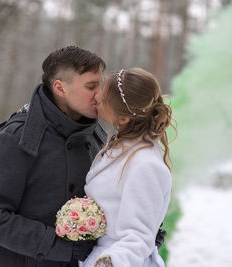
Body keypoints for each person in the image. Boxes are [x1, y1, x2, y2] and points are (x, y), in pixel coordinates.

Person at [0, 46, 107, 267]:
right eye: (91, 86)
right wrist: (60, 247)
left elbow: (104, 199)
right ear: (60, 88)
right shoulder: (15, 140)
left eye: (100, 85)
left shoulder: (96, 137)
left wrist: (137, 229)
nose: (99, 94)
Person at [80, 68, 176, 267]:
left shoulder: (146, 165)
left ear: (124, 118)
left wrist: (109, 262)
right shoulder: (119, 146)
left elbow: (139, 236)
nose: (96, 96)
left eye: (104, 96)